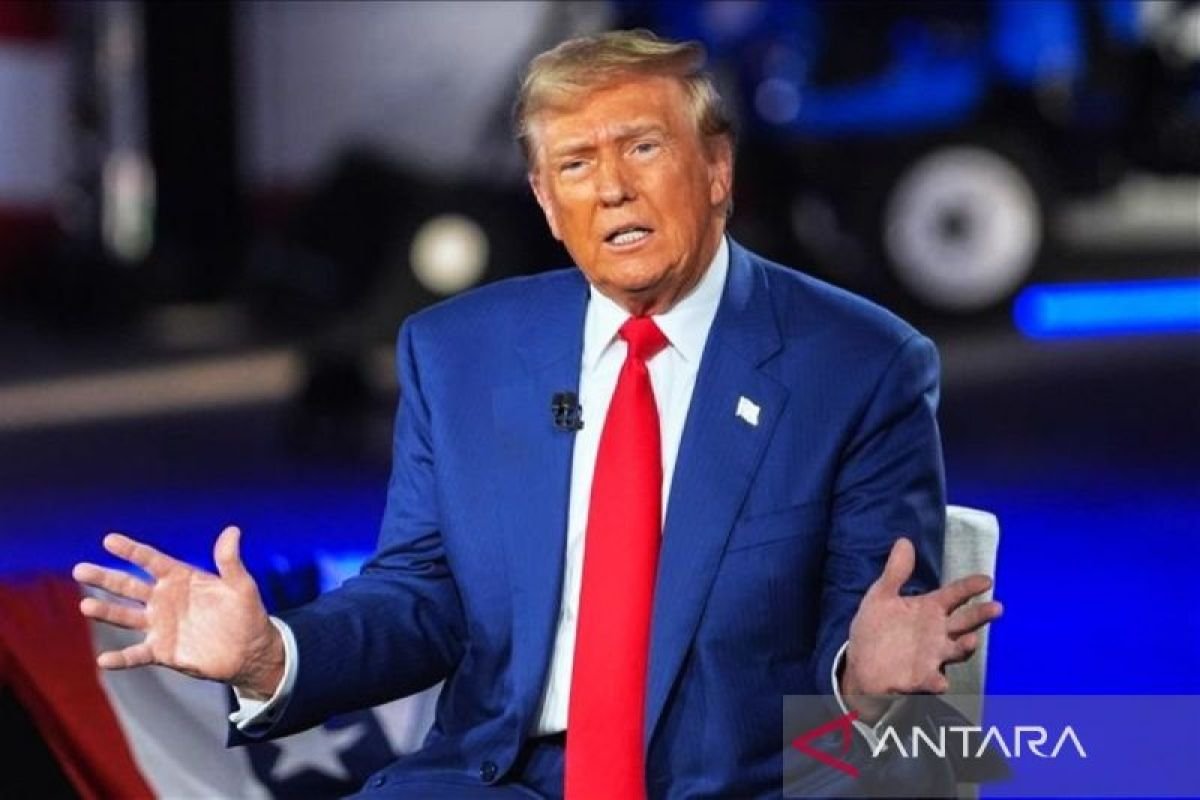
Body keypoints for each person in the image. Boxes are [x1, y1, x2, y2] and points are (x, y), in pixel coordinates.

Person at [73, 30, 1002, 799]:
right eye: (575, 164)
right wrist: (272, 654)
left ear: (717, 168)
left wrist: (857, 676)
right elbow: (422, 597)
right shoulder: (458, 352)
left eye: (643, 148)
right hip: (492, 778)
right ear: (546, 202)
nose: (612, 188)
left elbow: (869, 621)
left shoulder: (859, 365)